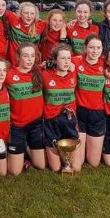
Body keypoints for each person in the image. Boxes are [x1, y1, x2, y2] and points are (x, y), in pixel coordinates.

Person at [4, 43, 46, 175]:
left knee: (41, 165)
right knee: (15, 172)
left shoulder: (39, 71)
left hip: (36, 125)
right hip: (17, 127)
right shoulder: (9, 75)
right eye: (26, 56)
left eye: (32, 56)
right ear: (18, 57)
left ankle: (27, 147)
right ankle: (10, 149)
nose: (29, 59)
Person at [42, 44, 82, 173]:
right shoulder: (45, 74)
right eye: (62, 58)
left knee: (75, 167)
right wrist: (44, 64)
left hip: (68, 118)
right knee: (55, 168)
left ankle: (67, 161)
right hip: (50, 119)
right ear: (54, 60)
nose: (66, 62)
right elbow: (30, 69)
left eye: (68, 58)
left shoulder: (74, 72)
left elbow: (86, 58)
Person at [73, 35, 106, 168]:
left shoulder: (106, 64)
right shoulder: (75, 61)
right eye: (91, 47)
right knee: (78, 164)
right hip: (80, 112)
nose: (95, 51)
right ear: (85, 48)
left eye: (98, 48)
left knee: (93, 162)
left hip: (97, 114)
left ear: (102, 49)